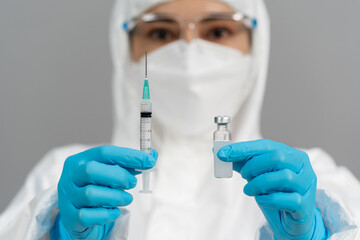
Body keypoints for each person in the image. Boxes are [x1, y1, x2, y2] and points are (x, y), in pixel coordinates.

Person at [1, 0, 360, 239]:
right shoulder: (66, 180)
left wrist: (317, 233)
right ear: (123, 45)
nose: (189, 52)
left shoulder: (310, 180)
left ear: (257, 46)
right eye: (161, 33)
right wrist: (56, 230)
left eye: (217, 31)